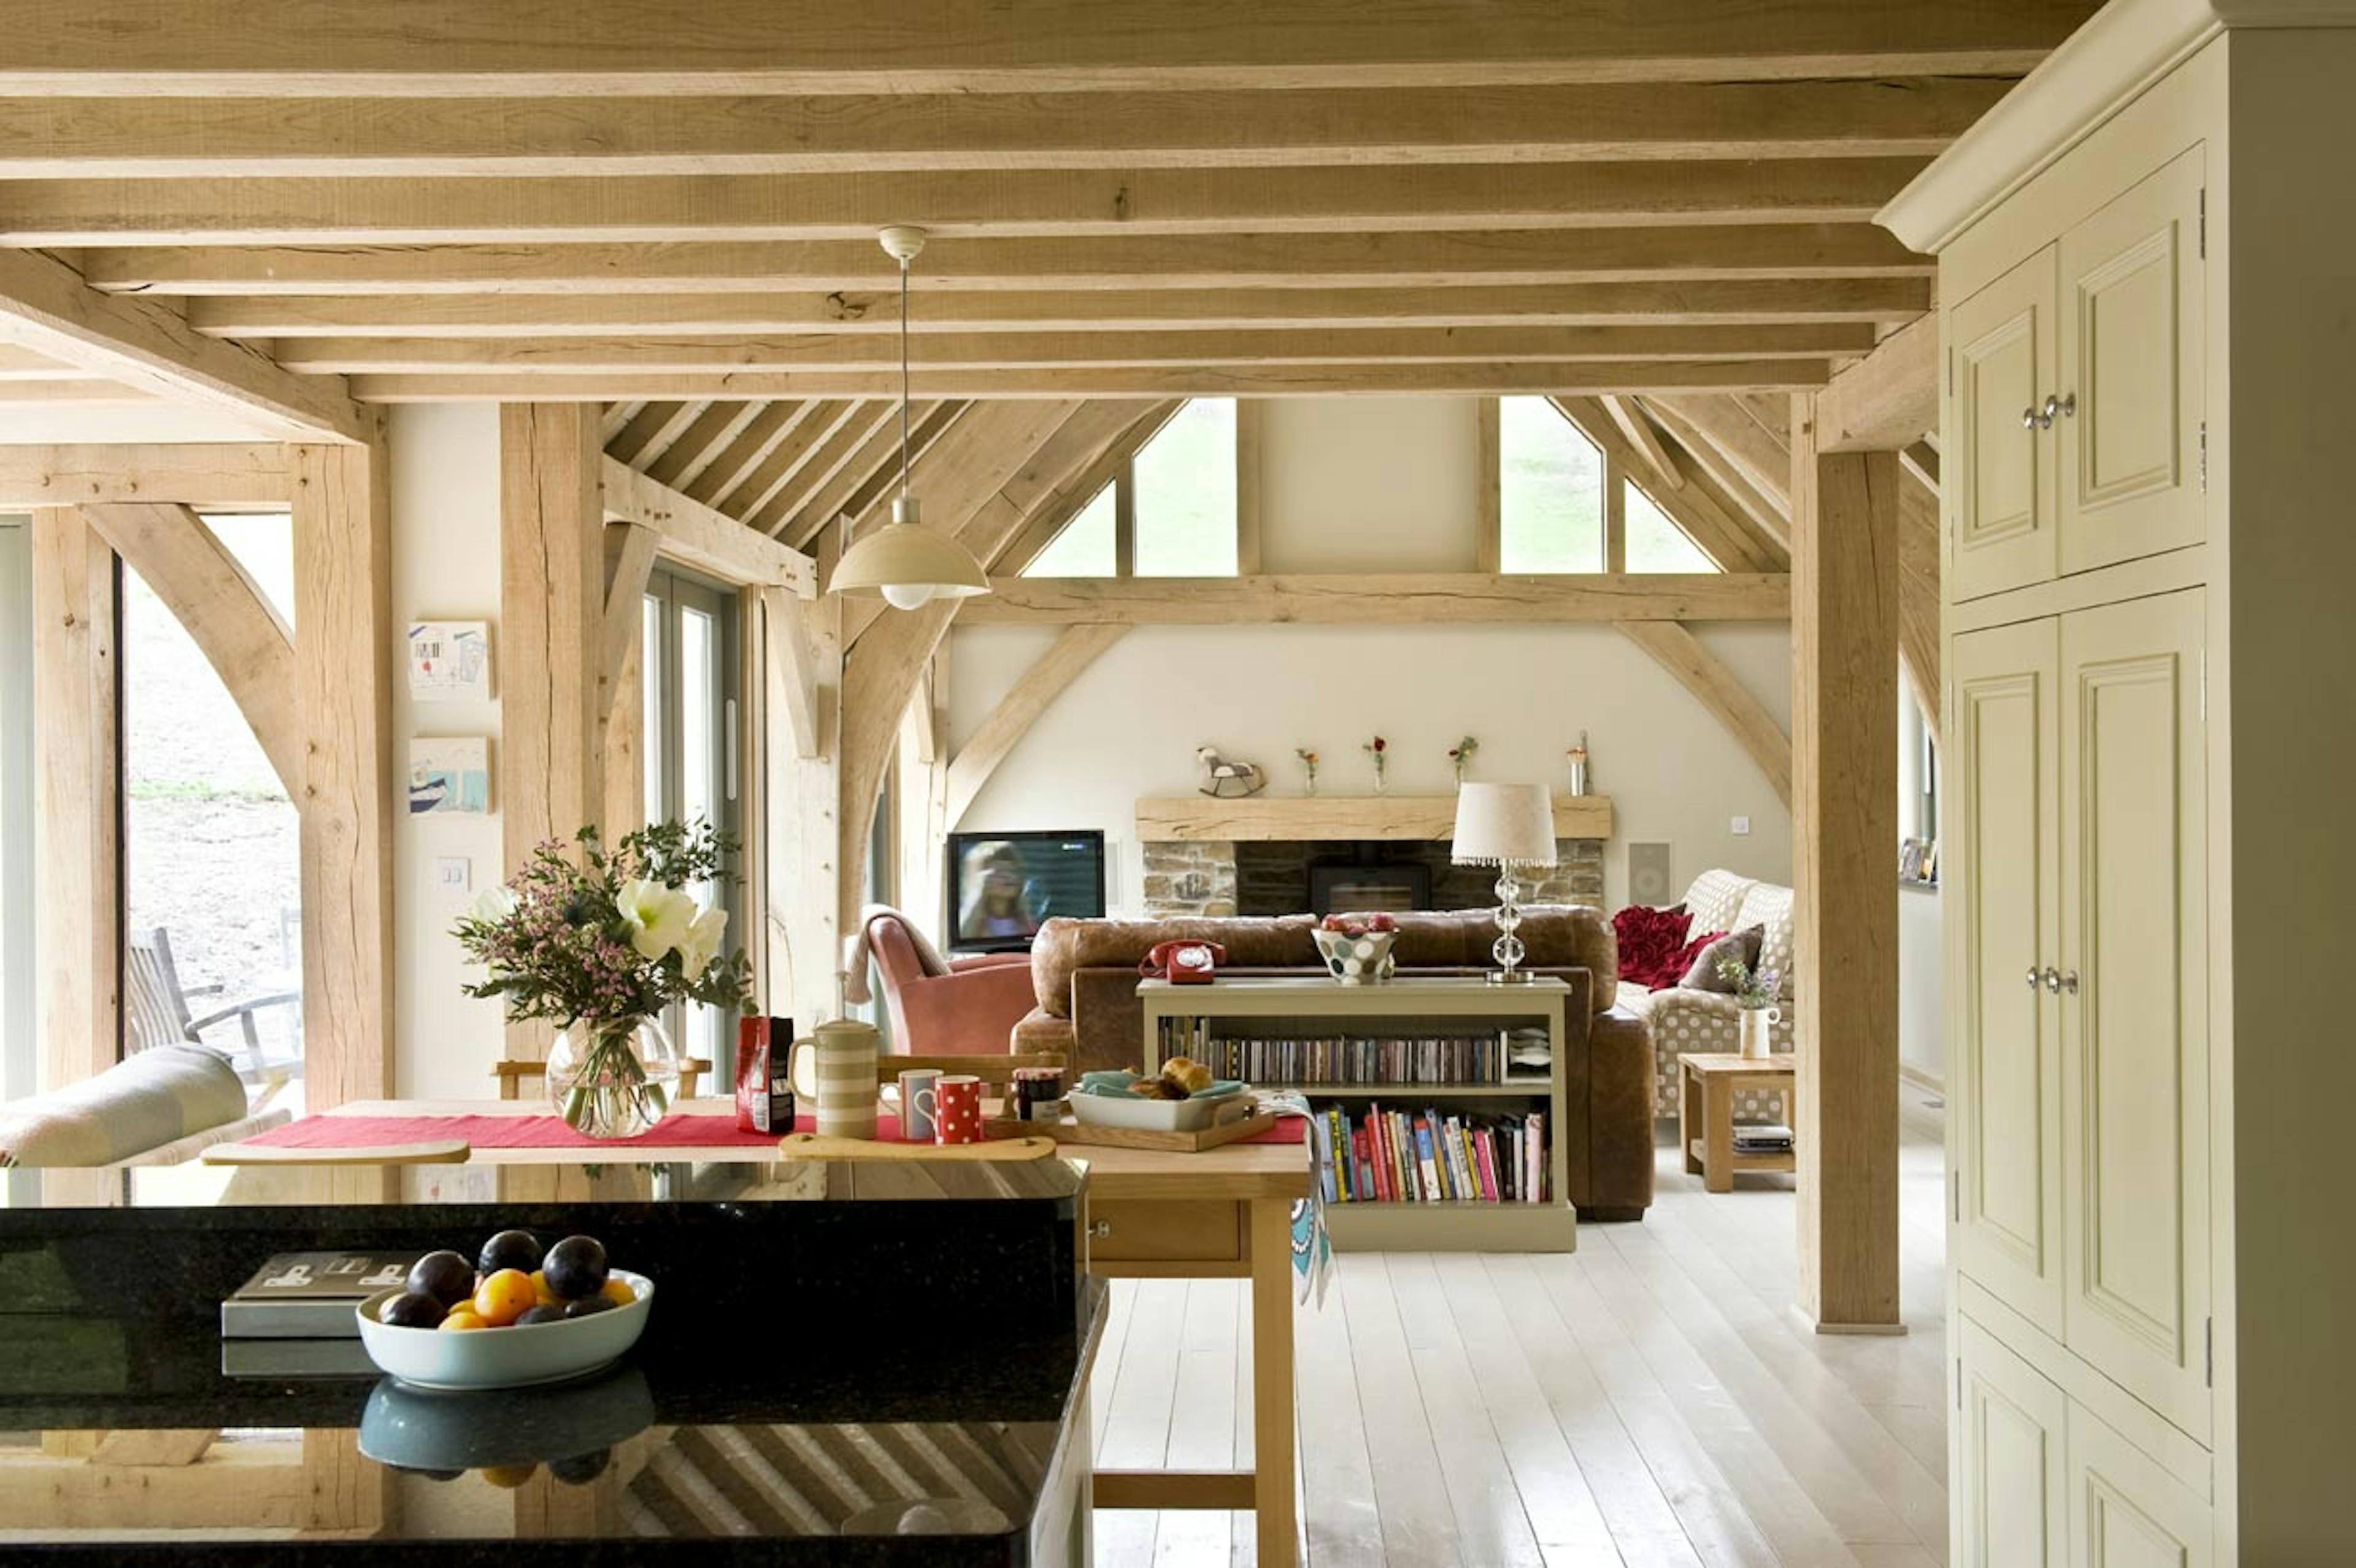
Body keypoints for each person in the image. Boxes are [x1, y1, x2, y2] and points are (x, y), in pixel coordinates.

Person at [957, 842, 1044, 942]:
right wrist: (978, 894)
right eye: (999, 870)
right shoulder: (970, 920)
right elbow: (963, 935)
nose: (1009, 877)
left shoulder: (1028, 925)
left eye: (1012, 870)